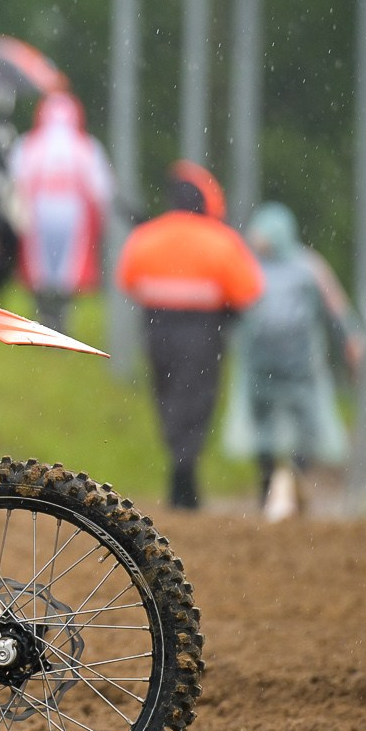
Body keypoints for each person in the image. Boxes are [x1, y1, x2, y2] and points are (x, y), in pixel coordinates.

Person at [116, 162, 264, 510]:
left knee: (166, 396)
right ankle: (186, 469)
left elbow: (128, 279)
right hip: (203, 331)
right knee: (196, 400)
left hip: (157, 327)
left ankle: (179, 466)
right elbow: (249, 291)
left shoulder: (147, 235)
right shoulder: (222, 240)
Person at [227, 202, 355, 519]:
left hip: (301, 365)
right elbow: (231, 303)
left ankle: (295, 478)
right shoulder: (247, 265)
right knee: (262, 425)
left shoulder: (308, 266)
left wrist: (351, 340)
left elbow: (335, 306)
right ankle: (269, 481)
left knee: (307, 424)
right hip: (259, 365)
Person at [4, 90, 113, 334]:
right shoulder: (86, 147)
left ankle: (45, 316)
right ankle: (59, 318)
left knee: (40, 267)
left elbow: (15, 181)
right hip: (74, 215)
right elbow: (101, 190)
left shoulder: (29, 144)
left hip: (38, 213)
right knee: (67, 269)